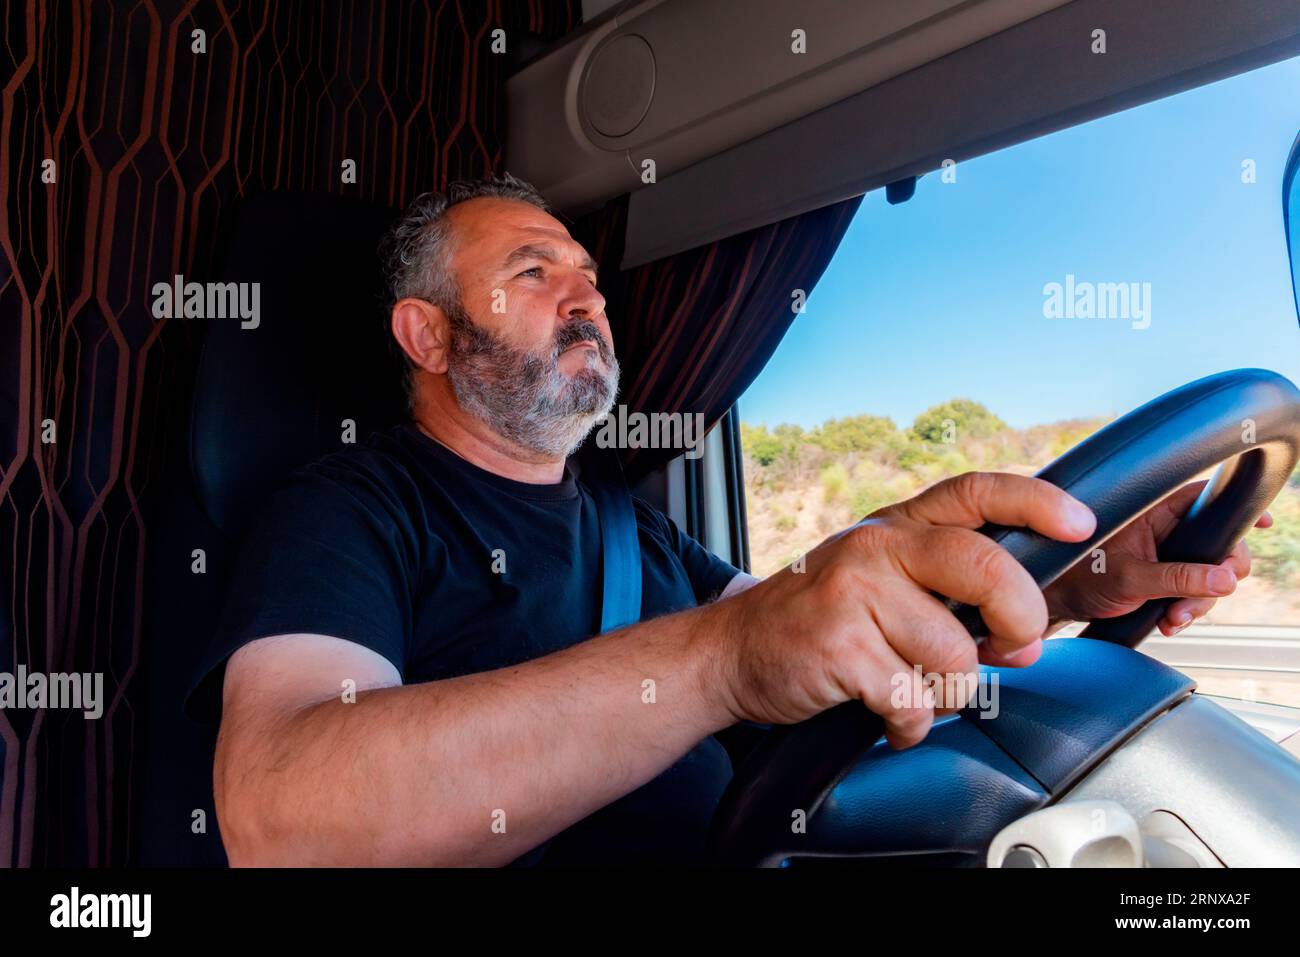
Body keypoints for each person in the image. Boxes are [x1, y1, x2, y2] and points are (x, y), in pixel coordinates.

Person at [195, 175, 1259, 866]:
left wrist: (1054, 587)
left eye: (590, 279)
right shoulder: (347, 508)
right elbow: (279, 815)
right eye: (533, 273)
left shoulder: (632, 530)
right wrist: (718, 661)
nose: (587, 299)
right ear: (426, 336)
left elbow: (799, 628)